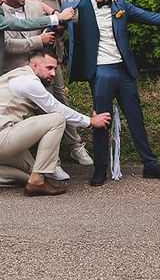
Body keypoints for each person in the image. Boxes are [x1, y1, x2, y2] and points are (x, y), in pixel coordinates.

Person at [64, 0, 160, 186]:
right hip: (100, 71)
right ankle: (100, 169)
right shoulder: (81, 6)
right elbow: (61, 11)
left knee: (136, 117)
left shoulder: (121, 5)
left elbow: (149, 16)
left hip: (124, 70)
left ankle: (150, 164)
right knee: (101, 120)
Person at [0, 50, 110, 195]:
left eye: (55, 69)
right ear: (35, 65)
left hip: (6, 137)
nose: (53, 73)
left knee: (33, 171)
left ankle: (34, 179)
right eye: (49, 68)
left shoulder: (16, 74)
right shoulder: (29, 81)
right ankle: (37, 182)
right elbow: (56, 108)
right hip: (3, 137)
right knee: (57, 119)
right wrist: (91, 121)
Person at [32, 0, 97, 168]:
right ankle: (53, 158)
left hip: (54, 56)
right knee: (45, 104)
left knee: (60, 100)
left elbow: (75, 18)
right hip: (34, 54)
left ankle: (76, 146)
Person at [0, 0, 74, 74]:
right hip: (13, 72)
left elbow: (46, 30)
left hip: (43, 67)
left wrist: (57, 26)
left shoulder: (35, 7)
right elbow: (22, 26)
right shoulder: (2, 12)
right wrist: (57, 17)